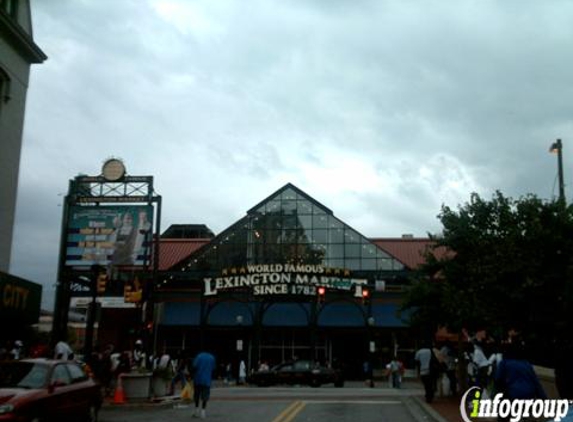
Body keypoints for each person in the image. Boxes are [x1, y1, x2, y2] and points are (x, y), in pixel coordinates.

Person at [192, 351, 216, 419]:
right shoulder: (212, 357)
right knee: (205, 396)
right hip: (207, 380)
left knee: (197, 395)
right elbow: (213, 368)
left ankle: (196, 411)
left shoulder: (198, 356)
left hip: (198, 379)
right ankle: (203, 411)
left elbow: (194, 366)